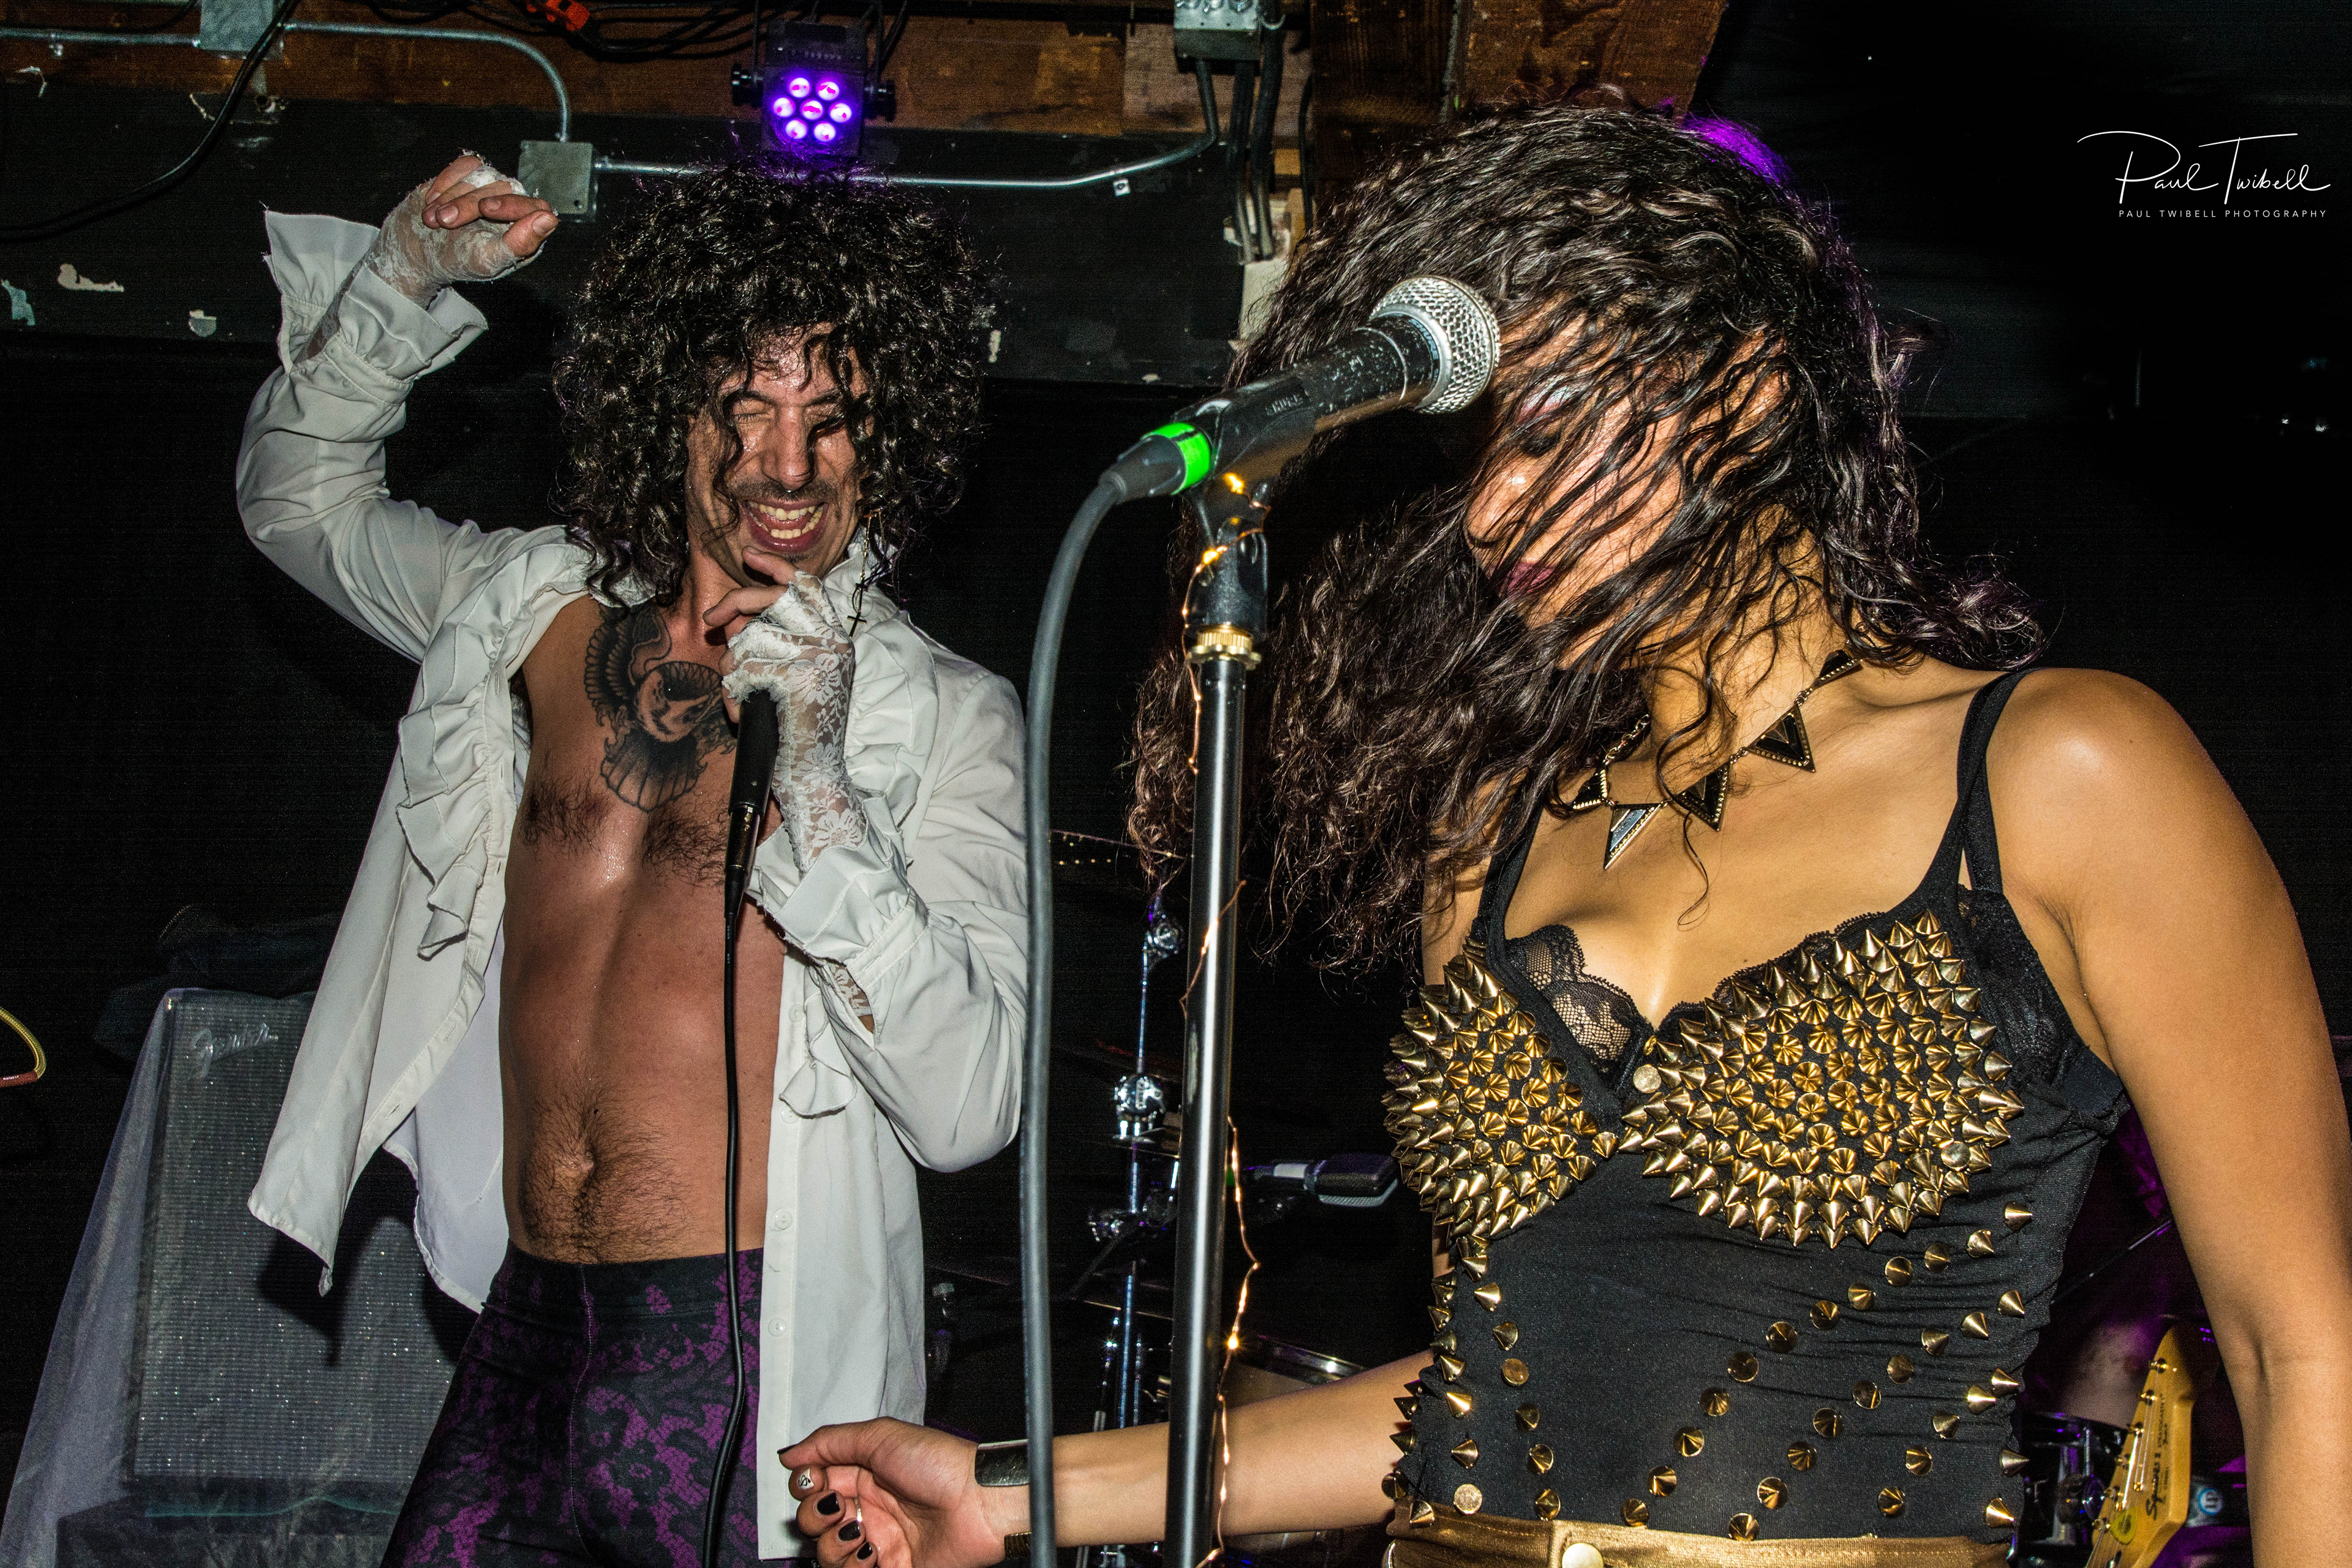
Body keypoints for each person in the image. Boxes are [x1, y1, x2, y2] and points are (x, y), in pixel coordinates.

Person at [773, 102, 2352, 1566]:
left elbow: (2302, 1354)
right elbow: (1482, 1394)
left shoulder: (2063, 769)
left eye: (1543, 431)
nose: (1486, 510)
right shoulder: (1498, 833)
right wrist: (1008, 1489)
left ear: (1741, 391)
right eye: (1476, 459)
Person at [237, 154, 1027, 1564]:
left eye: (834, 420)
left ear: (888, 436)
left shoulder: (942, 713)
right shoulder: (526, 611)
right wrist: (399, 281)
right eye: (747, 408)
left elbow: (972, 1107)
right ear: (673, 408)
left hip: (750, 1349)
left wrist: (820, 790)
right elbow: (294, 503)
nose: (790, 466)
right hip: (522, 1320)